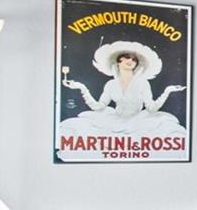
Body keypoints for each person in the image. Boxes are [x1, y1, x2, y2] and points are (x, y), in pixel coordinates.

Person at [59, 40, 187, 137]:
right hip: (114, 120)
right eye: (126, 57)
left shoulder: (143, 83)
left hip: (139, 121)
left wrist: (167, 91)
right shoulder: (110, 84)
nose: (130, 60)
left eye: (134, 59)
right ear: (118, 62)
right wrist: (82, 88)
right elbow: (98, 107)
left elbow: (151, 109)